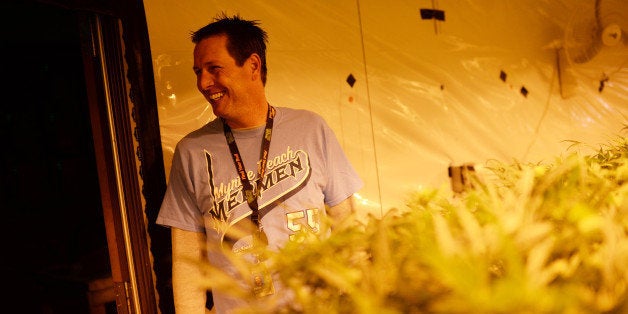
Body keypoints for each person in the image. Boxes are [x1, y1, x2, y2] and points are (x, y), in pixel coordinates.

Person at [156, 13, 364, 313]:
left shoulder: (311, 128)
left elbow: (348, 224)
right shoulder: (191, 151)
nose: (203, 82)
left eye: (214, 69)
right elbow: (187, 261)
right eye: (198, 71)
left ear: (253, 65)